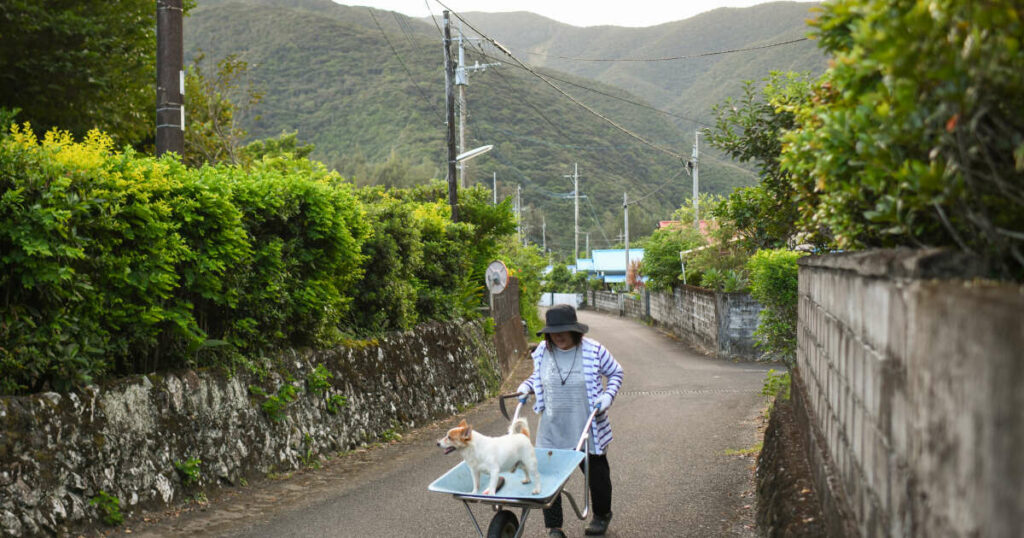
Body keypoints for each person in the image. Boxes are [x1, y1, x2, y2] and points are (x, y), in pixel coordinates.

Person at [517, 304, 624, 537]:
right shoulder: (543, 353)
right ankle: (555, 527)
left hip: (586, 428)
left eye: (563, 330)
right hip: (552, 428)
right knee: (549, 479)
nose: (558, 335)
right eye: (553, 331)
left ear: (575, 330)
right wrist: (526, 386)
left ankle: (602, 515)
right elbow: (538, 376)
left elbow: (616, 372)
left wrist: (607, 396)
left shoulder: (594, 350)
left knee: (597, 477)